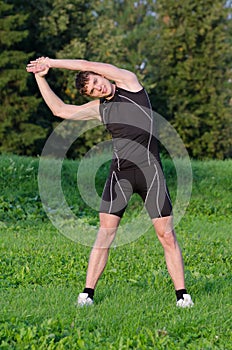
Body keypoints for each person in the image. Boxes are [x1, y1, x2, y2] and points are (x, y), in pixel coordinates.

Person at [26, 57, 194, 308]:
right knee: (105, 235)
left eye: (96, 81)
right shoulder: (99, 109)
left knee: (167, 235)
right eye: (92, 90)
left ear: (101, 75)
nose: (98, 88)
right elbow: (59, 110)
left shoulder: (129, 83)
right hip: (121, 175)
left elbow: (85, 63)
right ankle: (87, 294)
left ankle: (182, 296)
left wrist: (52, 62)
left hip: (151, 174)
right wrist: (40, 77)